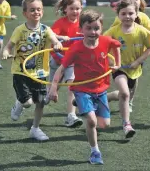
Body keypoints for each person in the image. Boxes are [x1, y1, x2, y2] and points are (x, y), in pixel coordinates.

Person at [48, 9, 121, 164]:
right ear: (80, 30)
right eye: (88, 28)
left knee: (104, 124)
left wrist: (117, 63)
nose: (93, 32)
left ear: (101, 29)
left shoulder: (105, 41)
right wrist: (54, 88)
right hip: (81, 88)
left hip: (100, 89)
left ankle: (84, 104)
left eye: (96, 28)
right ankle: (95, 152)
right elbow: (61, 69)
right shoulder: (76, 49)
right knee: (92, 121)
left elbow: (117, 45)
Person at [2, 0, 62, 140]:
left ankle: (35, 129)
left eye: (39, 9)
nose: (36, 12)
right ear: (25, 13)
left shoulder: (46, 30)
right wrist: (5, 52)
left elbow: (54, 40)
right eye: (32, 10)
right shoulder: (20, 30)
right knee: (28, 103)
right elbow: (9, 46)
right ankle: (19, 102)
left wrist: (57, 44)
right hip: (21, 72)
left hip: (40, 72)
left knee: (40, 102)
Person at [103, 0, 150, 138]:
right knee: (125, 94)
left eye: (131, 13)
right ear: (118, 15)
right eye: (123, 13)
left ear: (137, 14)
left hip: (134, 69)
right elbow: (102, 46)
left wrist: (138, 61)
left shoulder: (142, 31)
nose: (127, 16)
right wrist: (111, 61)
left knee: (124, 94)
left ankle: (101, 98)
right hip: (119, 69)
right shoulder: (113, 31)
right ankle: (127, 124)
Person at [108, 0, 150, 113]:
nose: (134, 1)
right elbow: (111, 34)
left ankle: (129, 100)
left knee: (133, 79)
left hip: (138, 53)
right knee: (124, 83)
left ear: (140, 1)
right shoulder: (120, 18)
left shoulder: (143, 17)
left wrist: (141, 31)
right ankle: (124, 98)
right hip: (122, 55)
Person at [44, 0, 83, 128]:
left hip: (72, 62)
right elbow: (51, 34)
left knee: (72, 85)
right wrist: (61, 37)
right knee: (47, 98)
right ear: (65, 9)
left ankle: (71, 116)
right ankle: (30, 99)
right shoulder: (61, 22)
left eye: (78, 8)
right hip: (57, 60)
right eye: (72, 8)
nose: (75, 11)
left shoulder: (82, 23)